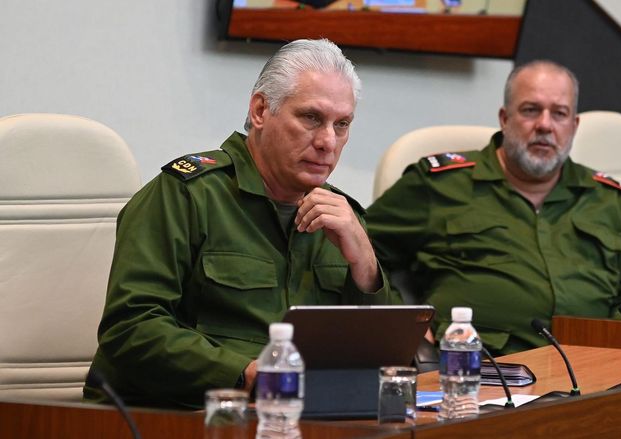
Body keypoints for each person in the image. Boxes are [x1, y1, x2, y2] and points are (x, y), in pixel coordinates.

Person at [84, 39, 391, 408]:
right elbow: (130, 329)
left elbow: (387, 354)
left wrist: (366, 268)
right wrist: (246, 375)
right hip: (179, 415)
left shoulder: (343, 217)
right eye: (311, 118)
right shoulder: (188, 195)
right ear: (261, 110)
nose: (328, 141)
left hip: (302, 418)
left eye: (341, 124)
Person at [366, 60, 621, 355]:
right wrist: (405, 322)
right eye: (531, 110)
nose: (545, 125)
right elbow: (361, 247)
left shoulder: (608, 200)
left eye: (559, 113)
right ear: (504, 118)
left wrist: (614, 359)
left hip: (590, 374)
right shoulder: (439, 184)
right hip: (478, 373)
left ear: (574, 125)